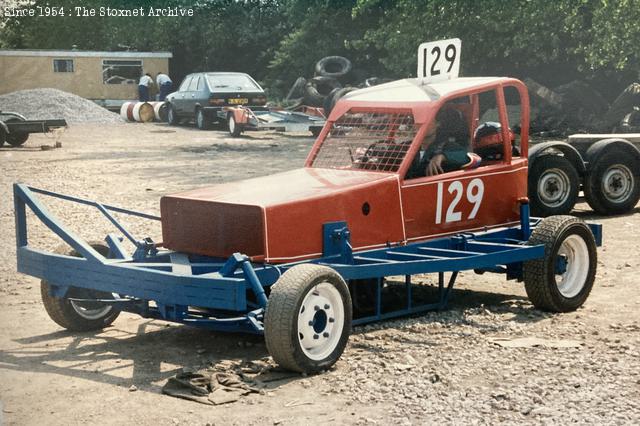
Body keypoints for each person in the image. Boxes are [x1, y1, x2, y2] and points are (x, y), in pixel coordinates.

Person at [406, 107, 480, 178]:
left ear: (438, 123)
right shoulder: (406, 147)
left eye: (425, 120)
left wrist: (443, 156)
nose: (419, 124)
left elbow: (471, 157)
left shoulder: (446, 146)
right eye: (416, 120)